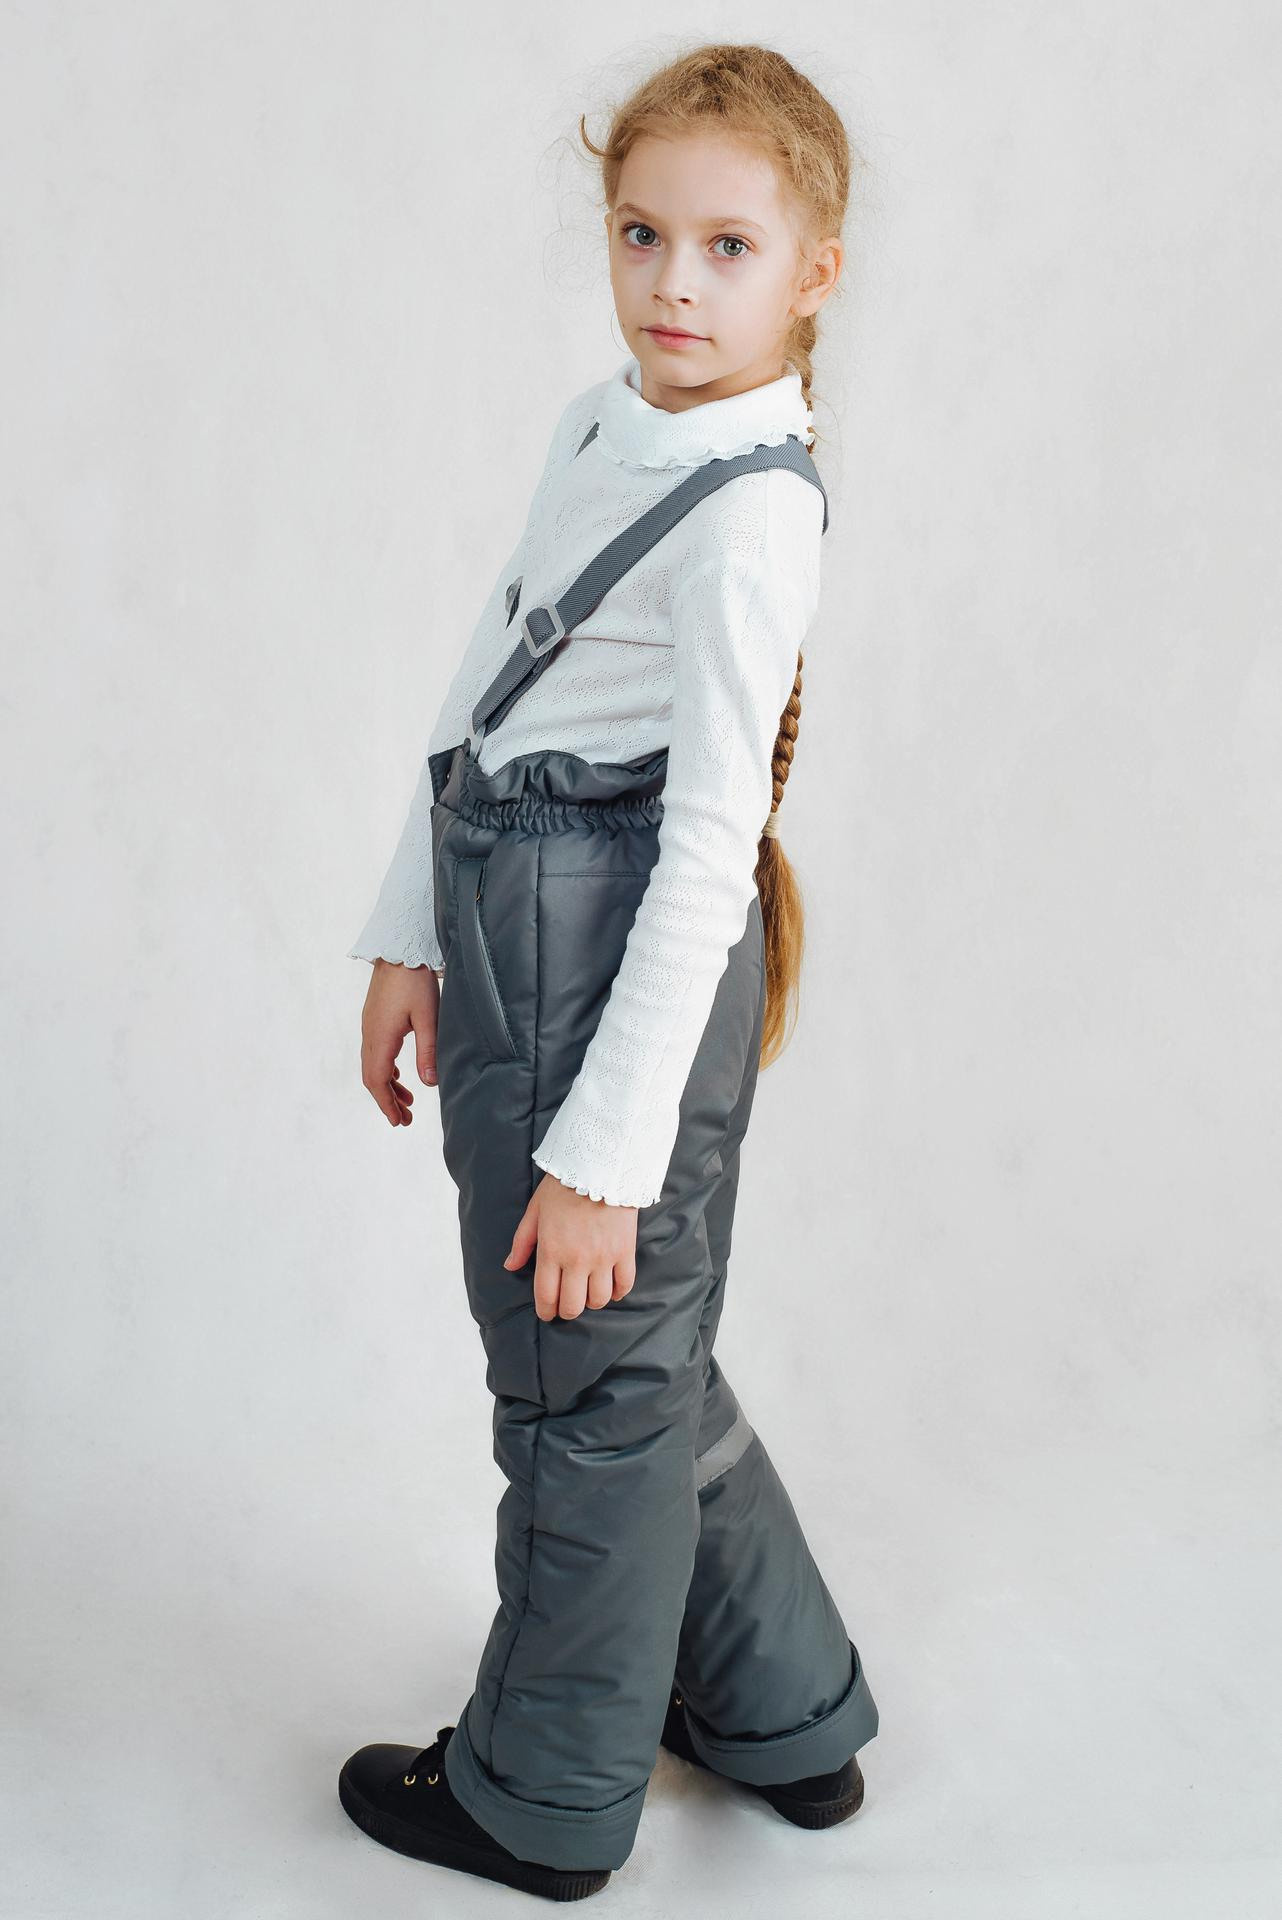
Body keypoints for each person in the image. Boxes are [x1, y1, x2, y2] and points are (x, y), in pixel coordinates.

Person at [337, 42, 880, 1903]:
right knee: (636, 1360)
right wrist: (409, 927)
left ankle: (545, 1793)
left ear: (812, 272)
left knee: (583, 1382)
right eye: (641, 234)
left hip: (606, 951)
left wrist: (596, 1160)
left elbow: (707, 853)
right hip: (516, 913)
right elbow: (493, 680)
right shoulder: (608, 423)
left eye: (729, 247)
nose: (673, 284)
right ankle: (779, 1712)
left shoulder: (750, 511)